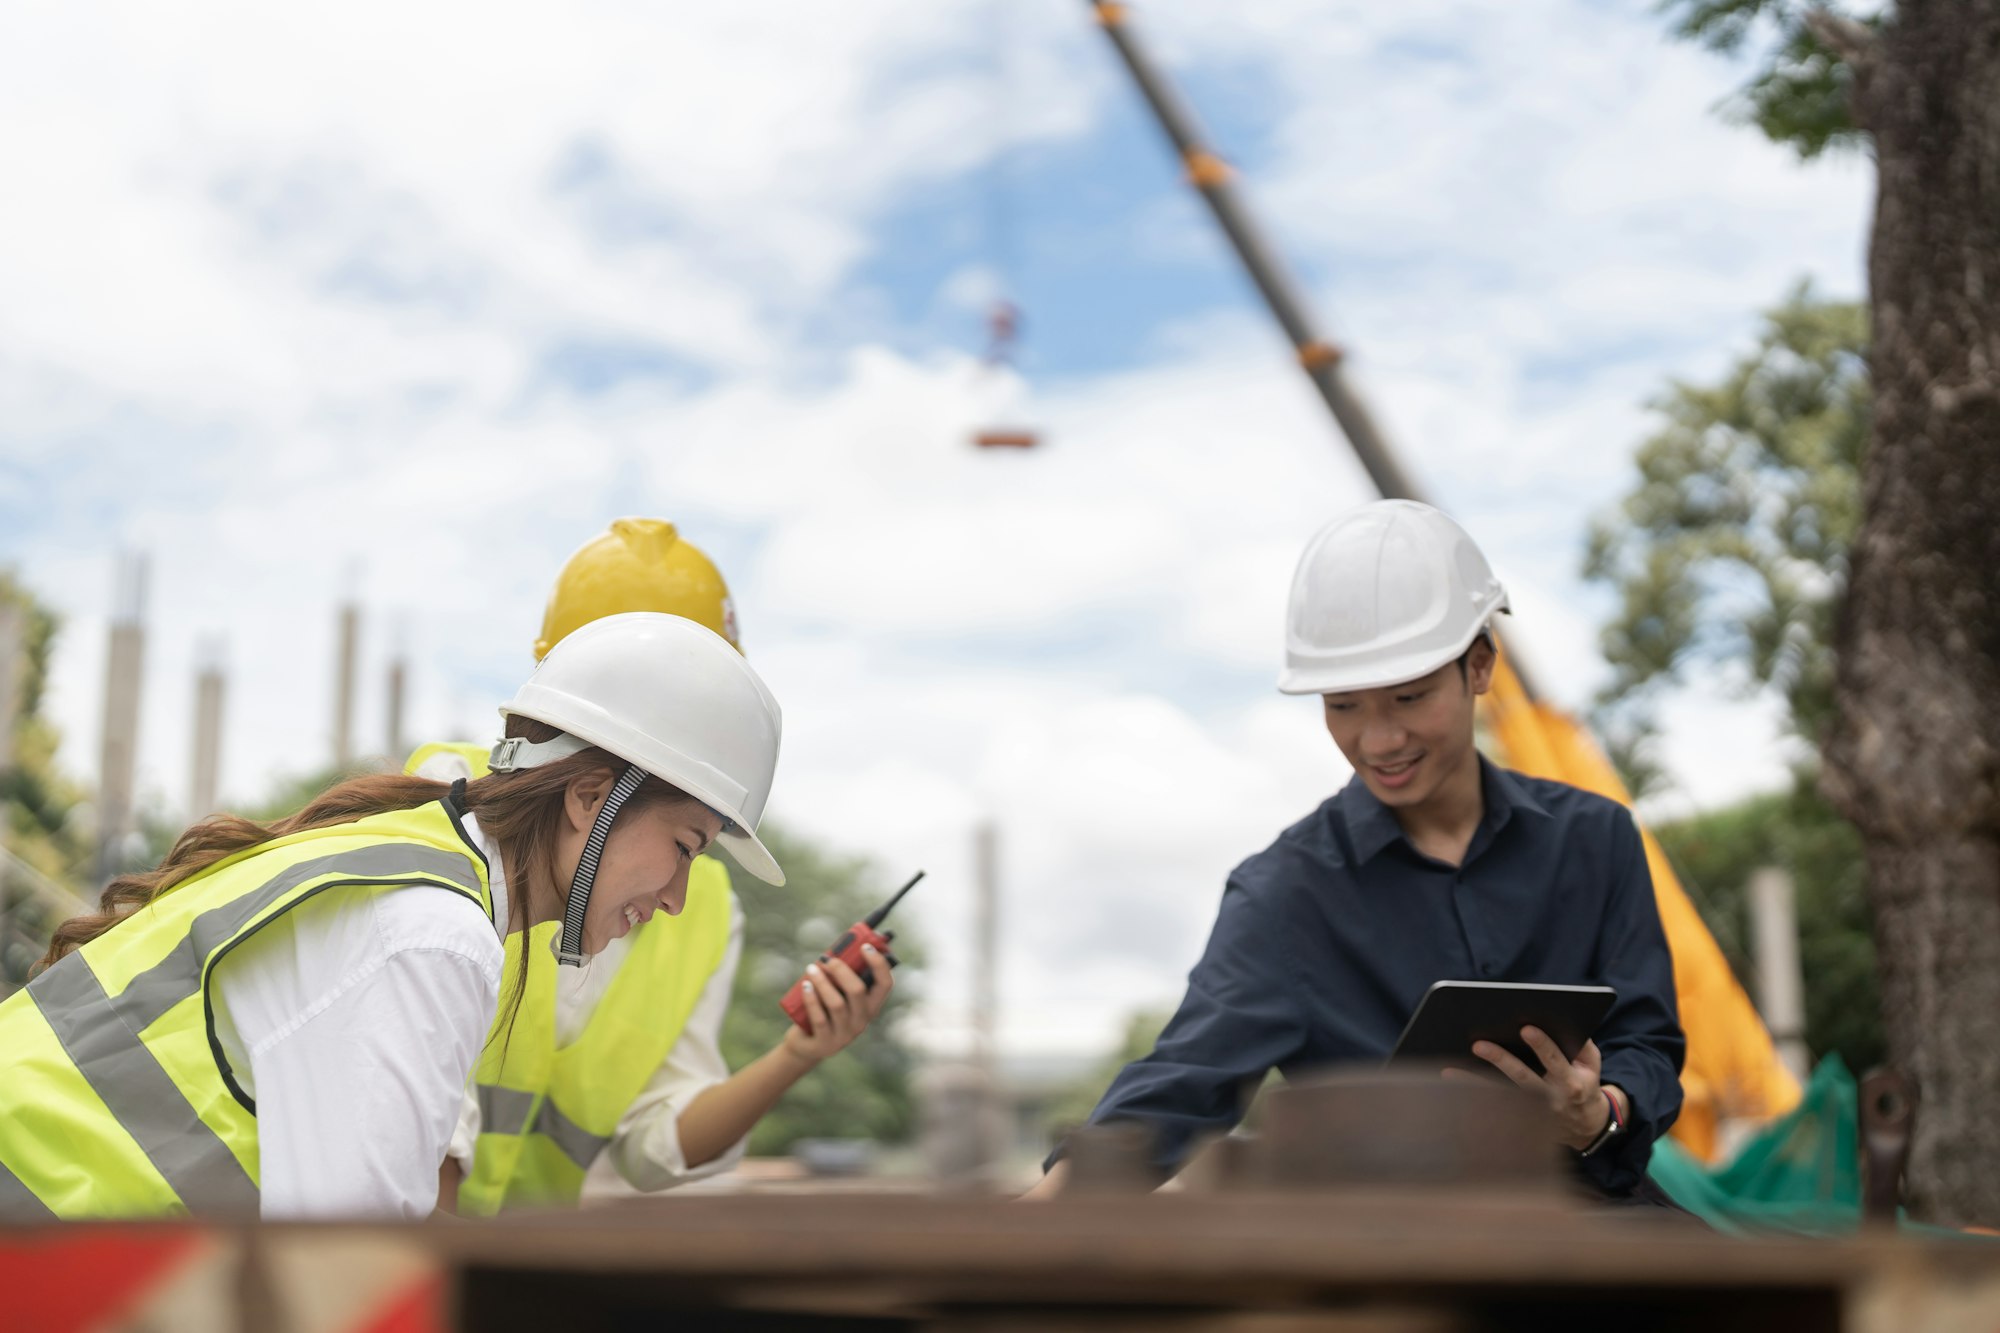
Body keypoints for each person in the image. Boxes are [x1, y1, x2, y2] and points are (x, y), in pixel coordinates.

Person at [0, 611, 787, 1220]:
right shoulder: (432, 935)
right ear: (589, 798)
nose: (680, 897)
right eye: (686, 846)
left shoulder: (406, 855)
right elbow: (353, 1277)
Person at [1031, 500, 1685, 1201]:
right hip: (1400, 1259)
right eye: (1343, 705)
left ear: (1481, 665)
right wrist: (1034, 1221)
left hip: (1601, 1228)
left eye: (1407, 697)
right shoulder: (1286, 894)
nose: (1378, 740)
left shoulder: (1595, 839)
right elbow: (1177, 1088)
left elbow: (1645, 1043)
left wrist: (1597, 1114)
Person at [424, 519, 895, 1214]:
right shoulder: (454, 816)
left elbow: (653, 1146)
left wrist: (799, 1053)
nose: (673, 893)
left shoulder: (702, 903)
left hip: (503, 1273)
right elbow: (420, 1120)